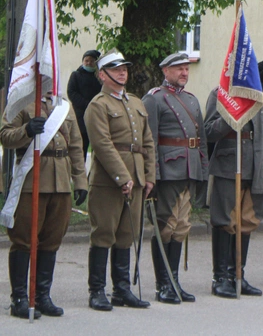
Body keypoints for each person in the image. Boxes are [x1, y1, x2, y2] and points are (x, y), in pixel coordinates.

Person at [0, 92, 87, 318]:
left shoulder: (62, 104)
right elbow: (5, 136)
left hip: (60, 181)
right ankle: (19, 298)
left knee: (52, 240)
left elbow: (76, 145)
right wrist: (26, 131)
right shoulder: (21, 99)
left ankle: (42, 296)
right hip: (32, 179)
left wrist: (80, 180)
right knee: (24, 239)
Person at [205, 84, 263, 298]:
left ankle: (237, 274)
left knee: (247, 221)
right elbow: (208, 132)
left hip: (258, 166)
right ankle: (220, 278)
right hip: (229, 166)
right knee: (225, 220)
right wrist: (231, 114)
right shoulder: (221, 94)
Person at [84, 51, 155, 311]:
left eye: (124, 68)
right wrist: (121, 177)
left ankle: (122, 289)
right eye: (115, 68)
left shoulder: (135, 102)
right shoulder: (98, 105)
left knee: (128, 234)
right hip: (107, 181)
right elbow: (102, 145)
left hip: (136, 178)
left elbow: (147, 142)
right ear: (102, 74)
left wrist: (148, 176)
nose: (122, 72)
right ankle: (97, 290)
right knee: (104, 233)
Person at [142, 53, 208, 304]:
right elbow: (151, 141)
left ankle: (174, 281)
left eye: (186, 69)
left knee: (181, 227)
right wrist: (153, 176)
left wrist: (202, 170)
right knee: (165, 227)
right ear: (165, 71)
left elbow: (199, 141)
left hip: (189, 169)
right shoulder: (155, 99)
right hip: (168, 171)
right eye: (179, 68)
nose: (184, 73)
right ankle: (163, 285)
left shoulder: (191, 100)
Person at [67, 49, 101, 157]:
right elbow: (71, 92)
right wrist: (86, 104)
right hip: (81, 115)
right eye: (86, 60)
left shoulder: (100, 78)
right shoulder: (76, 75)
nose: (88, 63)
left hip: (97, 115)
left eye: (91, 61)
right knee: (81, 147)